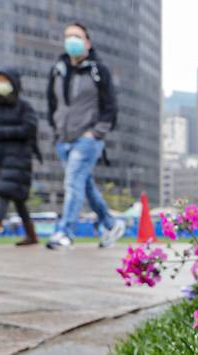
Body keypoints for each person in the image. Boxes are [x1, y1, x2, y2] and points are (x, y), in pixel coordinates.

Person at [46, 22, 125, 250]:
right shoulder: (57, 70)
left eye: (77, 36)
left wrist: (95, 133)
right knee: (84, 185)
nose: (72, 40)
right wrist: (56, 131)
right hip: (63, 139)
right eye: (68, 36)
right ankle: (110, 224)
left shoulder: (98, 70)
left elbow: (111, 106)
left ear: (87, 43)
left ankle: (65, 233)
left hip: (88, 139)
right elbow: (52, 104)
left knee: (72, 182)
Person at [0, 69, 41, 247]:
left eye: (4, 80)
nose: (0, 84)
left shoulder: (24, 106)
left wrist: (1, 132)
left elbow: (29, 128)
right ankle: (32, 236)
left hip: (19, 158)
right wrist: (8, 133)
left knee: (5, 192)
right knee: (18, 199)